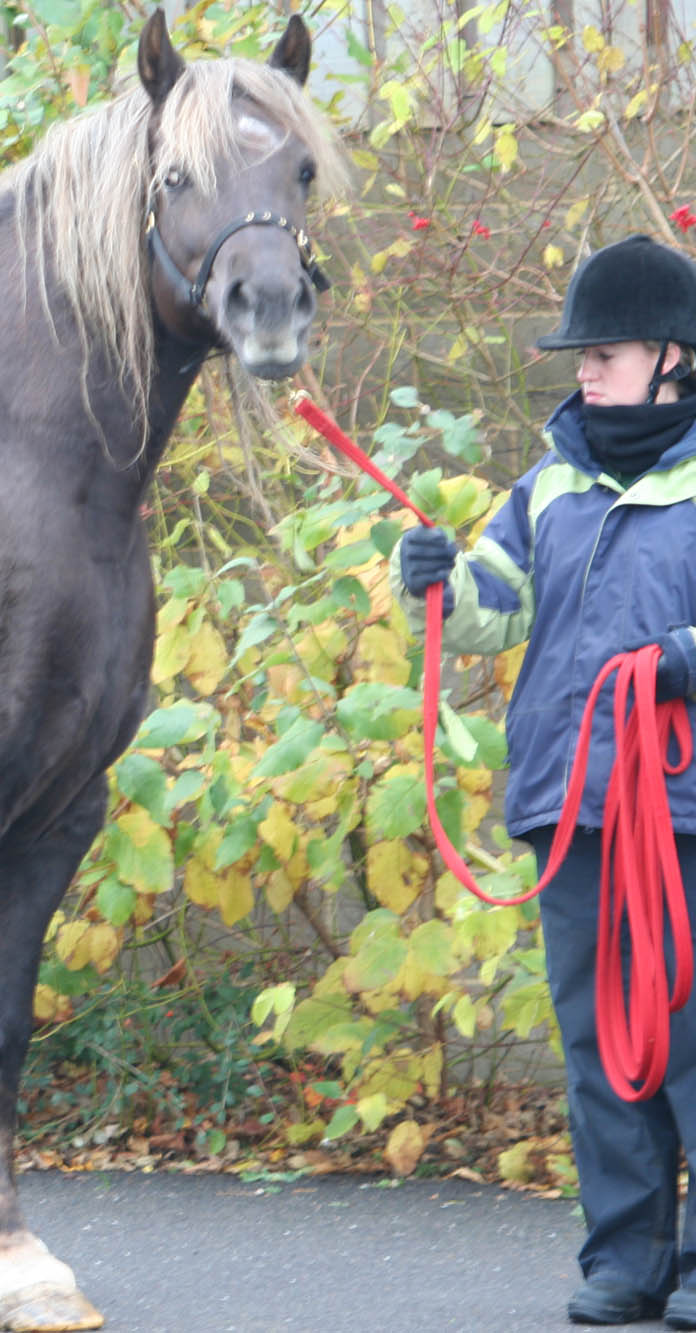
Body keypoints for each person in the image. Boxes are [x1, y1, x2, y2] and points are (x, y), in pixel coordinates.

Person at [396, 233, 696, 1326]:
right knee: (596, 1041)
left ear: (672, 356)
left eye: (602, 352)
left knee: (690, 1039)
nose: (581, 370)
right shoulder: (547, 485)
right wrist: (432, 583)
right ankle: (625, 1258)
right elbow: (490, 610)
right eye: (578, 354)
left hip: (679, 812)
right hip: (569, 807)